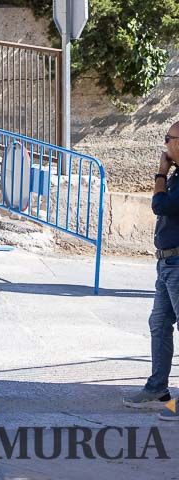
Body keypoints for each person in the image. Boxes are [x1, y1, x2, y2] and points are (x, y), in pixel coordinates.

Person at [124, 119, 179, 421]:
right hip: (167, 263)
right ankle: (158, 388)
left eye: (167, 139)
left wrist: (161, 171)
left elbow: (161, 206)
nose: (164, 145)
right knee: (159, 324)